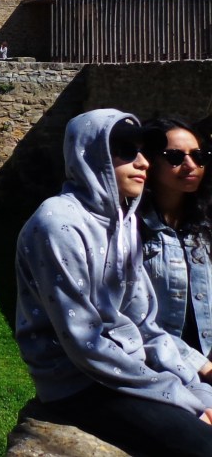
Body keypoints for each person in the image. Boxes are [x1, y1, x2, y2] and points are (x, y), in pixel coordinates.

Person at [15, 109, 212, 455]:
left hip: (131, 368)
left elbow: (144, 323)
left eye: (143, 151)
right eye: (125, 150)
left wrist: (194, 383)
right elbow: (85, 345)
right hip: (79, 383)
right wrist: (184, 400)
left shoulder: (123, 221)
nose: (143, 162)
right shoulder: (57, 224)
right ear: (89, 153)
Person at [140, 118, 212, 359]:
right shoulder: (132, 228)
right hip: (160, 363)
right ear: (150, 161)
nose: (191, 165)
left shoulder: (205, 224)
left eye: (199, 156)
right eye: (175, 157)